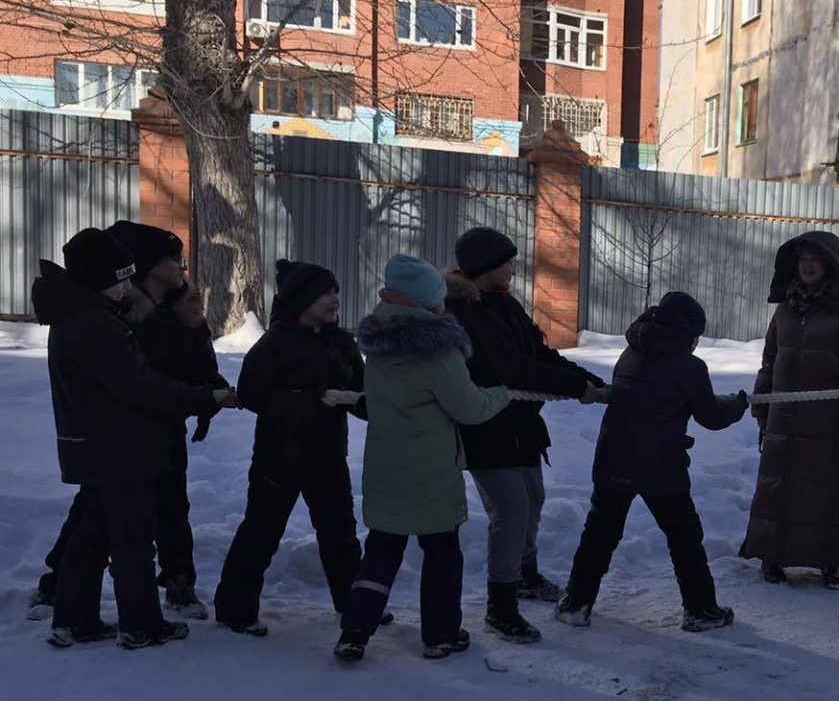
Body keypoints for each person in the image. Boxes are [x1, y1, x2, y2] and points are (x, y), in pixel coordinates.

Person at [32, 228, 235, 649]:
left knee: (92, 534)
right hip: (121, 448)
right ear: (96, 280)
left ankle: (74, 618)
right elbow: (139, 386)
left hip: (98, 446)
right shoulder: (97, 326)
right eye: (120, 278)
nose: (127, 285)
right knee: (132, 539)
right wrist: (203, 398)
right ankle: (141, 623)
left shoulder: (82, 317)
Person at [334, 254, 511, 663]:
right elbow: (470, 409)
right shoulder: (439, 354)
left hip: (385, 468)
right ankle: (441, 634)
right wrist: (501, 394)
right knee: (442, 552)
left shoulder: (377, 349)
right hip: (431, 473)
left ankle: (355, 631)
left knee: (381, 550)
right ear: (429, 304)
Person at [444, 226, 605, 643]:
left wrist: (591, 381)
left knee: (533, 499)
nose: (514, 269)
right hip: (487, 428)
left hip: (521, 426)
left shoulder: (504, 305)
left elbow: (540, 354)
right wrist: (576, 388)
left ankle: (524, 575)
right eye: (507, 262)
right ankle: (500, 607)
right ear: (486, 267)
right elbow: (511, 369)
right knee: (511, 510)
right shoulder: (466, 316)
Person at [557, 292, 749, 630]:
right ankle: (700, 610)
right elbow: (712, 416)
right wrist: (738, 404)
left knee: (599, 534)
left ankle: (576, 604)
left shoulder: (630, 352)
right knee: (684, 536)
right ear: (689, 333)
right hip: (661, 466)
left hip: (614, 458)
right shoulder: (690, 366)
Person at [214, 260, 367, 636]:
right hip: (279, 457)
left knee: (340, 533)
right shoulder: (275, 343)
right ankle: (235, 609)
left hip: (329, 455)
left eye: (335, 291)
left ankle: (354, 604)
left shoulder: (341, 342)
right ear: (302, 299)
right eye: (326, 292)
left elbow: (361, 393)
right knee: (262, 531)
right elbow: (252, 393)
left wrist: (383, 409)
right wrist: (313, 400)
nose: (335, 298)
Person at [740, 231, 839, 589]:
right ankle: (773, 557)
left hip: (832, 417)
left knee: (827, 490)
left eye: (814, 259)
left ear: (830, 266)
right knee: (780, 488)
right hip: (784, 416)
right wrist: (762, 404)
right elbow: (770, 359)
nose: (806, 265)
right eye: (802, 258)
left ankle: (829, 563)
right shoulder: (787, 309)